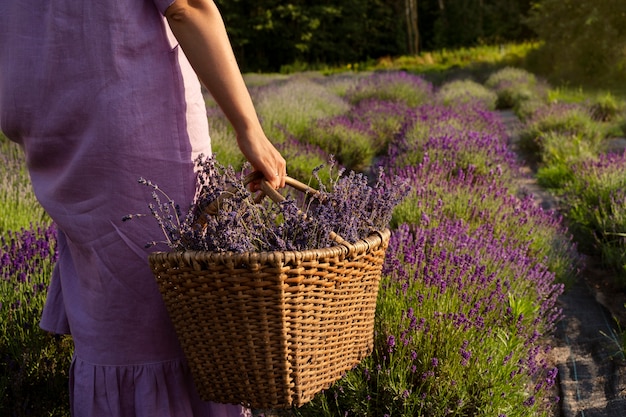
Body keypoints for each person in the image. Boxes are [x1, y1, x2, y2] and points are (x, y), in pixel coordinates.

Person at [0, 0, 286, 416]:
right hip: (134, 129)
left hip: (57, 135)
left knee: (112, 322)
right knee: (165, 325)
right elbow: (187, 7)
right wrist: (250, 130)